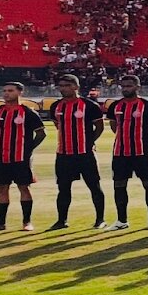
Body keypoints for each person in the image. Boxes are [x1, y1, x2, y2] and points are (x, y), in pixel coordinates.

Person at [45, 73, 105, 230]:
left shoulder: (90, 106)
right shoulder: (55, 106)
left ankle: (100, 219)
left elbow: (99, 127)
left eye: (67, 85)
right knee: (63, 188)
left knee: (94, 186)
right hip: (64, 154)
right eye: (61, 86)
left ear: (76, 87)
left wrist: (89, 142)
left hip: (85, 153)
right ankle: (61, 220)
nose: (63, 89)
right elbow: (58, 125)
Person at [0, 81, 45, 232]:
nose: (6, 93)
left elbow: (41, 133)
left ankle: (27, 222)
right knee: (1, 188)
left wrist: (28, 148)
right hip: (0, 157)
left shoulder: (28, 112)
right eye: (4, 90)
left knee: (24, 187)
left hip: (20, 158)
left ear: (20, 92)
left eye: (10, 90)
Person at [105, 74, 148, 230]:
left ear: (137, 87)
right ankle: (121, 220)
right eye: (123, 86)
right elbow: (113, 126)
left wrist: (144, 141)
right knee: (119, 185)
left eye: (129, 86)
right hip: (120, 152)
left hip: (141, 152)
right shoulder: (115, 106)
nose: (125, 89)